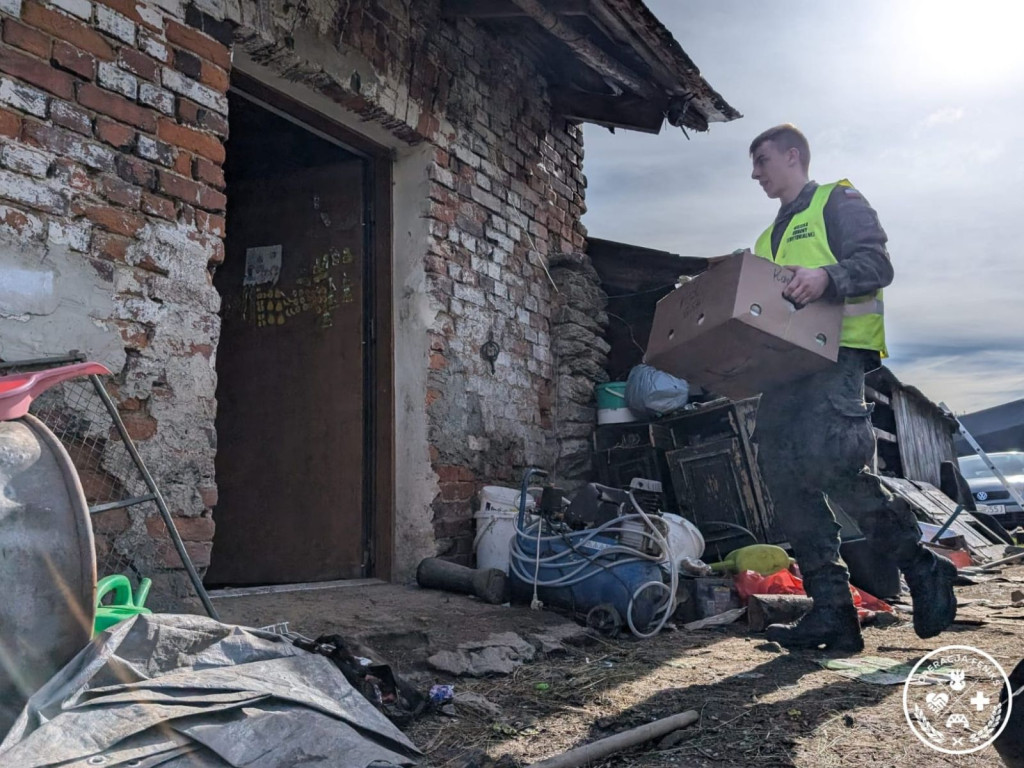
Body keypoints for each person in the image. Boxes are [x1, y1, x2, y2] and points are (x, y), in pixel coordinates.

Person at [748, 124, 956, 651]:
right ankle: (833, 612)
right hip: (787, 369)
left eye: (763, 160)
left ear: (793, 157)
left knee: (833, 465)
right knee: (785, 479)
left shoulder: (837, 200)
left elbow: (877, 263)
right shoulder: (766, 239)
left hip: (838, 356)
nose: (756, 174)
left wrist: (826, 277)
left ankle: (921, 563)